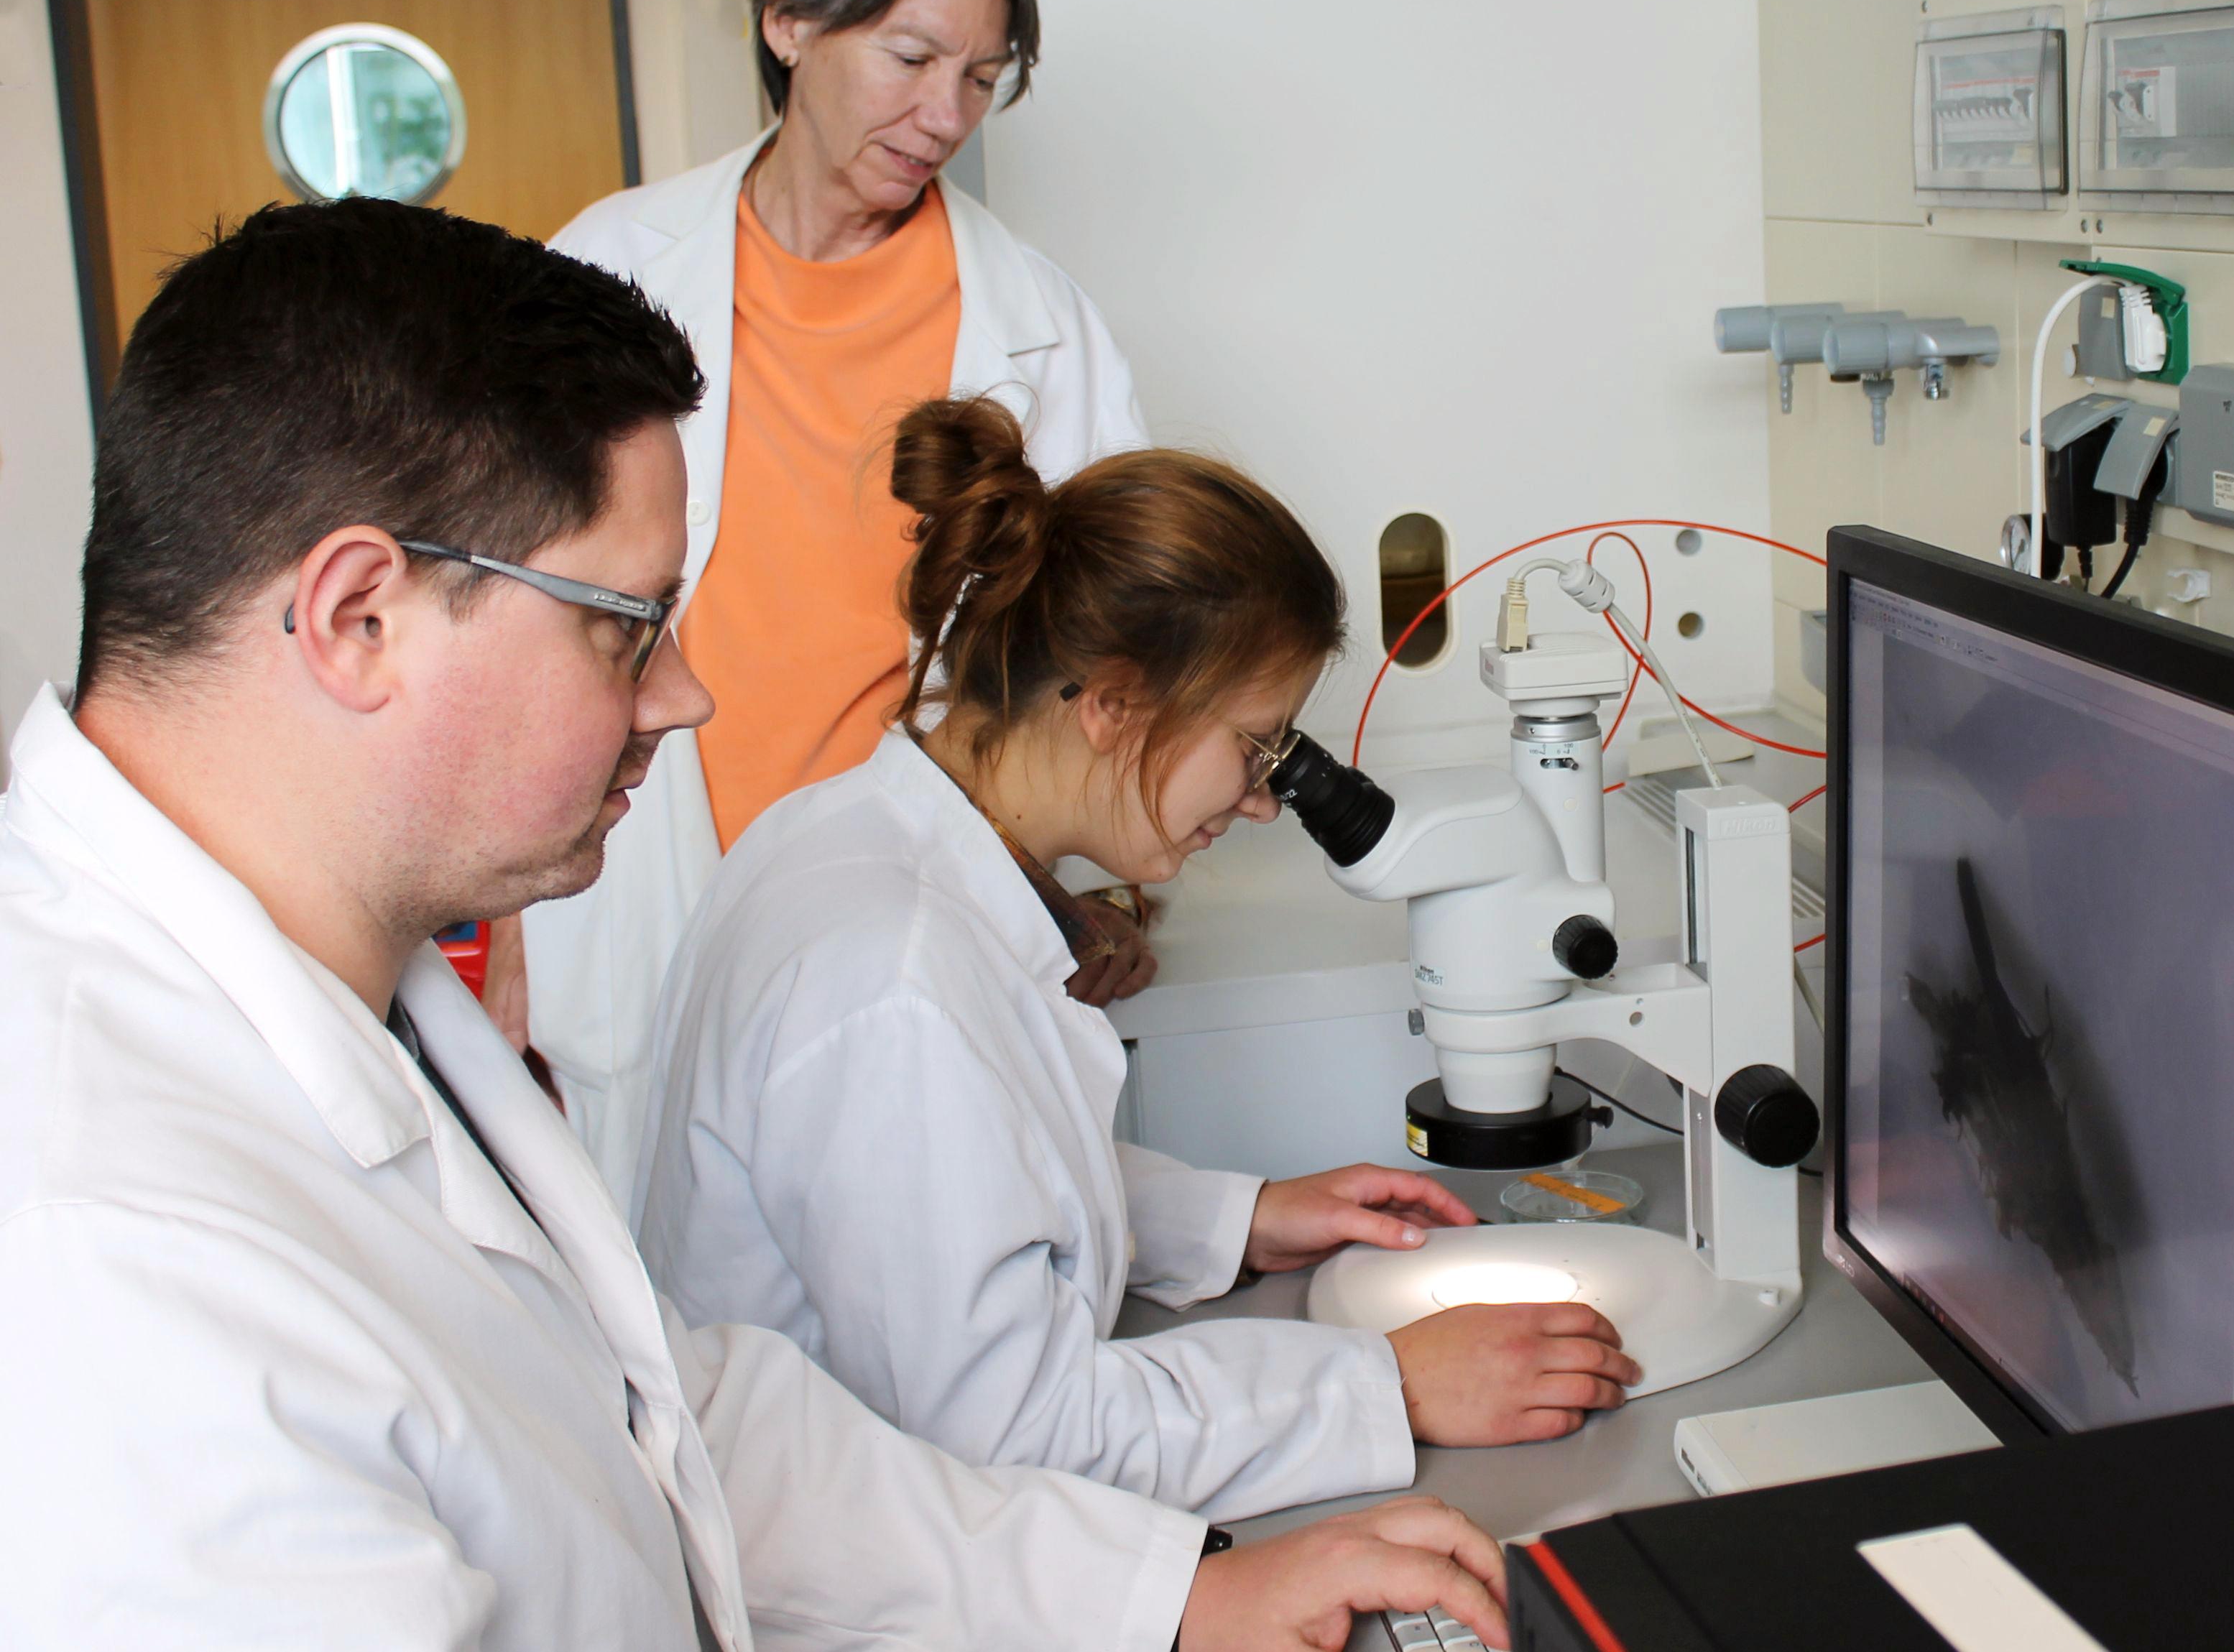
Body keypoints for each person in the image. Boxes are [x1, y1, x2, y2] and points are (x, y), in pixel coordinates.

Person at [0, 200, 1509, 1649]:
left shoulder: (356, 999)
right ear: (357, 618)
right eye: (624, 627)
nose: (684, 697)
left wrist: (1154, 1600)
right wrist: (1348, 1402)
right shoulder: (107, 1256)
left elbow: (672, 1423)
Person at [632, 397, 1643, 1521]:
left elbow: (967, 1186)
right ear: (1112, 704)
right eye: (1254, 745)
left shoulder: (849, 836)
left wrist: (1232, 1217)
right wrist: (1392, 1384)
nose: (1263, 799)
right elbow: (1023, 1438)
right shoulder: (894, 980)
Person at [513, 0, 1153, 1201]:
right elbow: (503, 605)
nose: (944, 114)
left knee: (934, 1305)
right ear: (790, 24)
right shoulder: (607, 269)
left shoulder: (1039, 320)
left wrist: (1108, 888)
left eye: (981, 80)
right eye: (911, 56)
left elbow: (1109, 646)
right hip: (650, 886)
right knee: (670, 1349)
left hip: (912, 910)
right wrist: (511, 937)